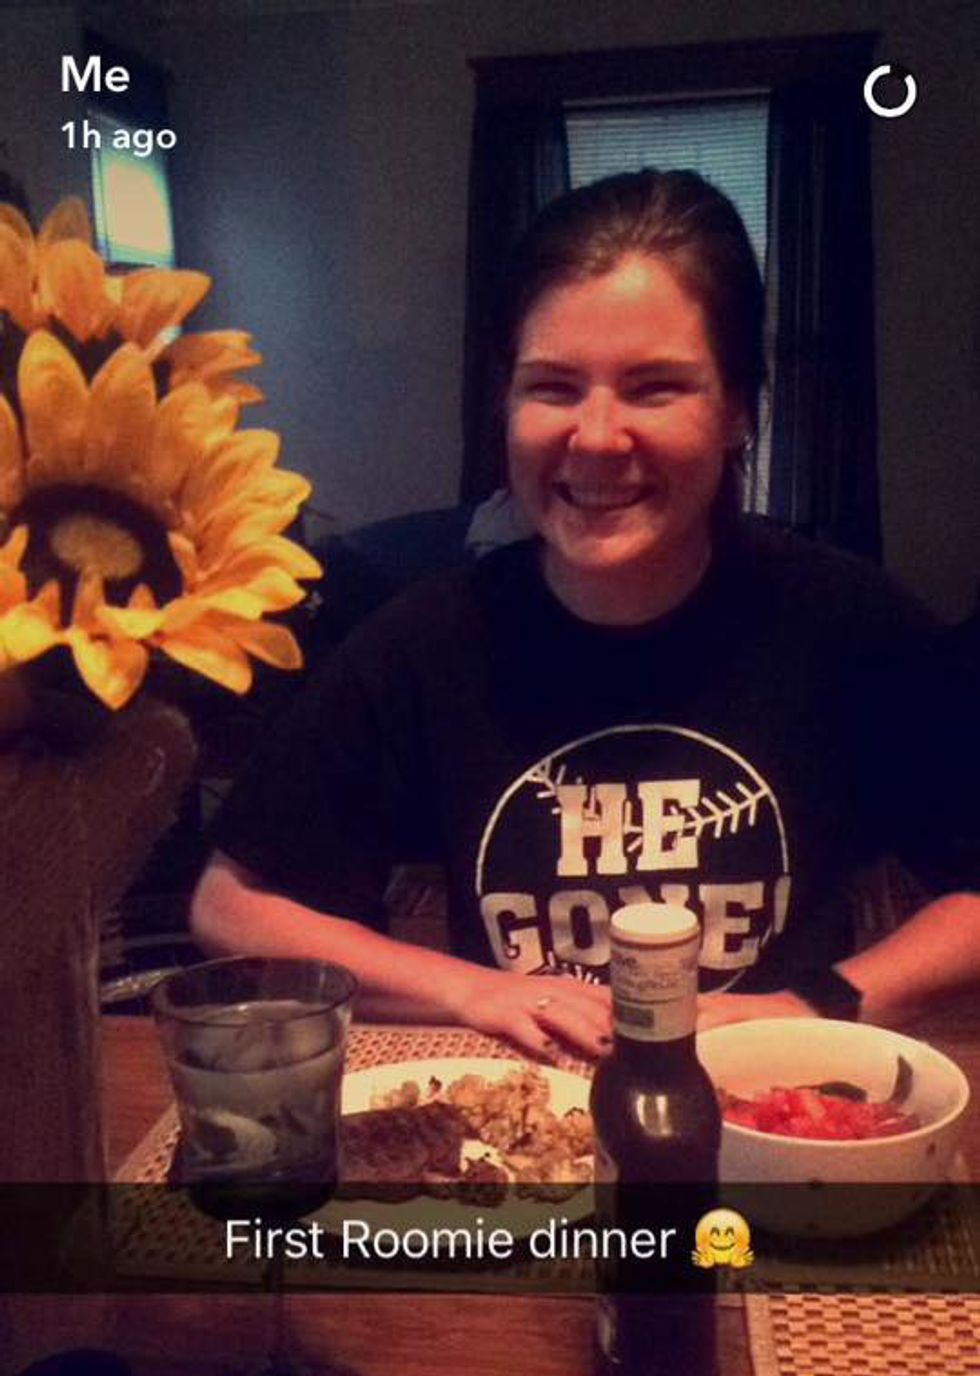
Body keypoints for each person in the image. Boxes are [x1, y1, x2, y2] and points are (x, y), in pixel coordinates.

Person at [191, 170, 979, 1060]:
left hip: (780, 1103)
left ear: (737, 411)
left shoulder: (848, 623)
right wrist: (472, 990)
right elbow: (232, 902)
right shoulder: (424, 642)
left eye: (655, 387)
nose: (597, 436)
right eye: (554, 387)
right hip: (529, 1115)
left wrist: (817, 1004)